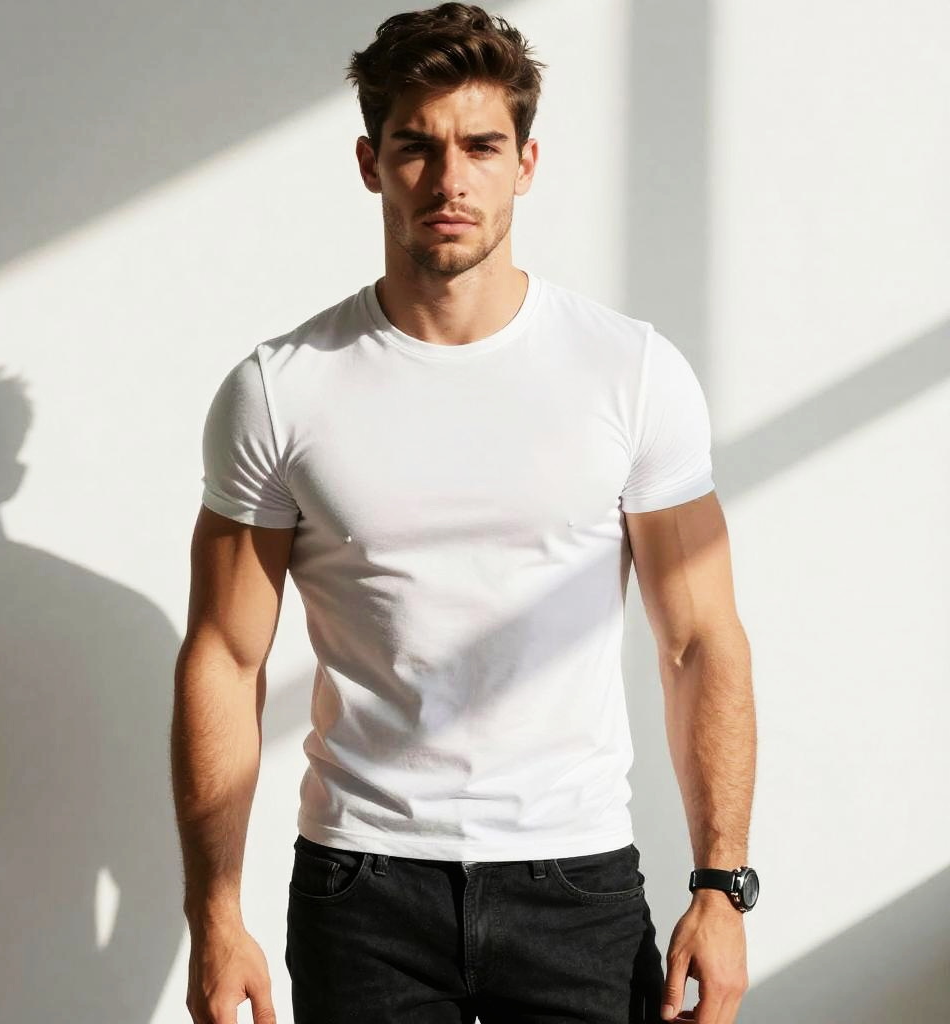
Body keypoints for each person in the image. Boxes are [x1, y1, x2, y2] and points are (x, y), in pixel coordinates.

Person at [170, 4, 758, 1023]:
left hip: (574, 880)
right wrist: (215, 915)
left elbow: (699, 639)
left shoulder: (630, 373)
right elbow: (225, 655)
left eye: (481, 146)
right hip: (363, 887)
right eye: (417, 147)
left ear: (526, 161)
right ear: (370, 162)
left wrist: (721, 885)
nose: (450, 181)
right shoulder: (281, 388)